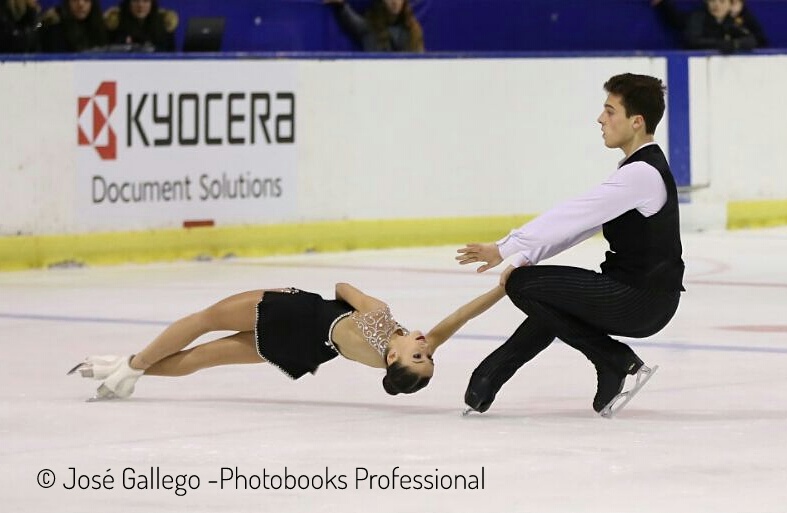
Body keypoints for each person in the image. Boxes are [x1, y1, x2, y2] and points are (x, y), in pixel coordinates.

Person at [456, 73, 685, 417]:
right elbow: (582, 227)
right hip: (642, 297)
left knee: (525, 287)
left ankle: (613, 359)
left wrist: (504, 248)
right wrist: (526, 256)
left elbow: (572, 216)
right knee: (549, 296)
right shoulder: (639, 170)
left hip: (639, 299)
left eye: (610, 111)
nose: (600, 119)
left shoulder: (641, 174)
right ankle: (487, 379)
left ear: (636, 122)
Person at [69, 283, 506, 400]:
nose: (427, 345)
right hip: (303, 350)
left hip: (294, 314)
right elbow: (459, 318)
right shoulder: (388, 359)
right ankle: (122, 373)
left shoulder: (378, 317)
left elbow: (342, 285)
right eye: (429, 354)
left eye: (419, 354)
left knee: (203, 321)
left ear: (394, 357)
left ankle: (129, 365)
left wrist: (353, 304)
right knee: (203, 359)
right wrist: (501, 290)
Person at [651, 0, 758, 52]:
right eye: (712, 1)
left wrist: (734, 44)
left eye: (722, 1)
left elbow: (754, 40)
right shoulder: (698, 17)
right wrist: (721, 45)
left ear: (731, 4)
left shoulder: (735, 22)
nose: (716, 5)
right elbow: (692, 41)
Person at [324, 0, 424, 52]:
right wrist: (341, 5)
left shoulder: (413, 31)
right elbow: (351, 20)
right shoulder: (370, 27)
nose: (395, 2)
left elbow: (420, 64)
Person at [104, 0, 177, 52]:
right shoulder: (116, 25)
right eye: (135, 0)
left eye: (145, 1)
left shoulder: (163, 26)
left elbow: (170, 57)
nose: (140, 5)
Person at [40, 0, 107, 52]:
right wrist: (42, 22)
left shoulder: (100, 26)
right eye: (75, 0)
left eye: (86, 0)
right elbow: (36, 28)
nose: (81, 4)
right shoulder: (55, 28)